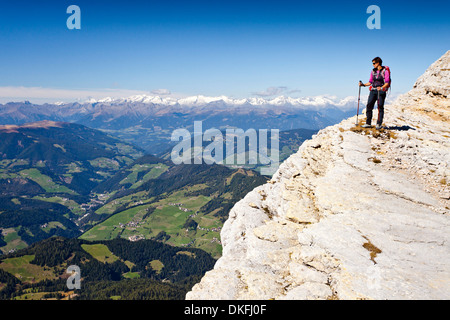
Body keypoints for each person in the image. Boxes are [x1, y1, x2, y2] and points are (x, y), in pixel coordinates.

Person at [359, 57, 390, 129]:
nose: (373, 65)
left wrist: (382, 87)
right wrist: (363, 85)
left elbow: (387, 83)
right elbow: (370, 82)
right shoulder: (373, 71)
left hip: (381, 91)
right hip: (373, 90)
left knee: (380, 107)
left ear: (378, 63)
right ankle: (368, 123)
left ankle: (379, 124)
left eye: (374, 63)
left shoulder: (385, 71)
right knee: (369, 105)